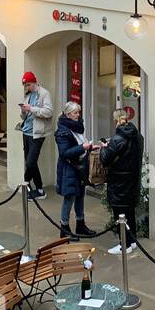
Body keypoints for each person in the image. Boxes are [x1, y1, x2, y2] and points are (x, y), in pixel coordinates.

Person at [100, 107, 143, 254]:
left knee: (120, 212)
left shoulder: (118, 139)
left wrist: (103, 148)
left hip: (119, 180)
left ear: (116, 120)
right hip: (132, 179)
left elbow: (105, 159)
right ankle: (132, 240)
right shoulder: (137, 136)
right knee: (129, 211)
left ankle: (124, 245)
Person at [54, 101, 95, 239]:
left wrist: (90, 147)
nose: (78, 115)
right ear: (67, 114)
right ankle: (64, 228)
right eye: (75, 112)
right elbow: (64, 152)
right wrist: (82, 147)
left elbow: (81, 142)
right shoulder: (63, 131)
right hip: (69, 168)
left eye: (79, 112)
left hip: (79, 167)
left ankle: (80, 224)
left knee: (80, 195)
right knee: (69, 197)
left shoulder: (77, 127)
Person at [18, 70, 53, 200]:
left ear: (34, 82)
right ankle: (39, 189)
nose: (26, 87)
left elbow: (49, 112)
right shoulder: (28, 95)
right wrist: (23, 111)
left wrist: (31, 109)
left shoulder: (44, 94)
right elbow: (23, 116)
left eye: (28, 85)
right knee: (31, 162)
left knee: (31, 161)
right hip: (26, 132)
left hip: (37, 133)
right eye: (25, 85)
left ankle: (26, 182)